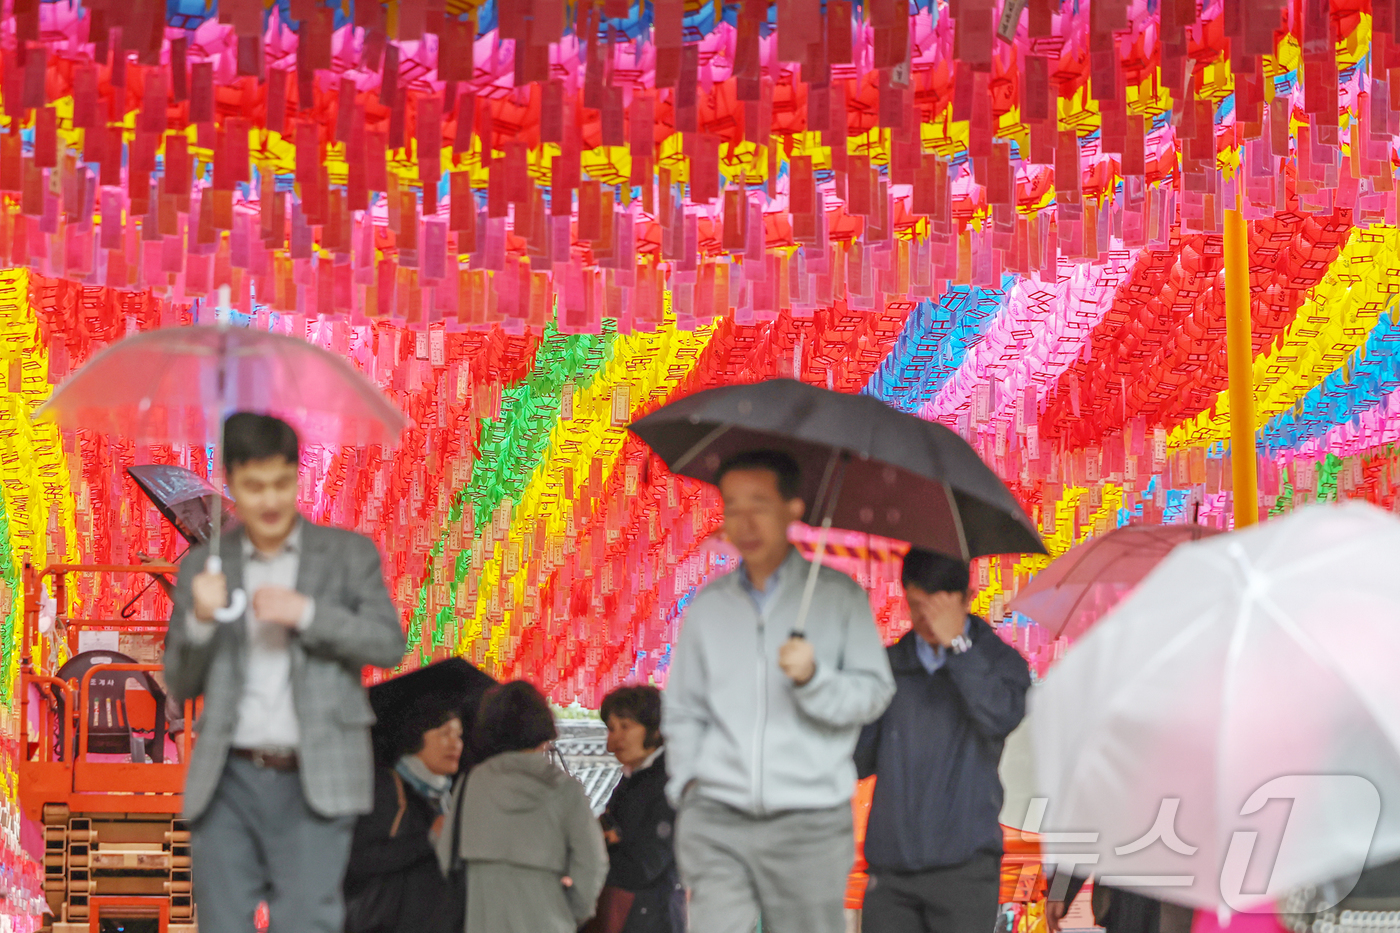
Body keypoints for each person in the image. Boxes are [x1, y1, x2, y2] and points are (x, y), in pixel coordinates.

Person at [164, 413, 406, 933]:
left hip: (318, 772)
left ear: (296, 476)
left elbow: (389, 644)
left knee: (306, 921)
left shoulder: (347, 555)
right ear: (230, 482)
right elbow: (180, 684)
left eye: (280, 483)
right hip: (228, 775)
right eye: (253, 487)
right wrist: (200, 622)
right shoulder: (203, 567)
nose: (269, 501)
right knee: (223, 923)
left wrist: (308, 614)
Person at [663, 449, 896, 933]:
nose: (743, 520)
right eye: (732, 505)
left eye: (759, 503)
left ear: (793, 507)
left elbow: (874, 694)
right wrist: (687, 785)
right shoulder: (709, 608)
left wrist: (815, 680)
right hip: (717, 817)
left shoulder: (838, 598)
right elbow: (683, 708)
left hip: (809, 822)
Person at [853, 548, 1032, 933]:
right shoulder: (887, 667)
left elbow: (1000, 716)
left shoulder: (1002, 663)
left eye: (937, 608)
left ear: (966, 600)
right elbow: (857, 759)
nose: (926, 620)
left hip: (965, 866)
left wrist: (959, 648)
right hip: (892, 867)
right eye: (917, 606)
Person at [452, 680, 608, 933]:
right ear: (543, 726)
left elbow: (447, 860)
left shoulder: (471, 783)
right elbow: (593, 863)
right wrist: (570, 914)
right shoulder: (566, 789)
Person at [344, 696, 465, 933]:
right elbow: (359, 860)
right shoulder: (388, 787)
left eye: (459, 735)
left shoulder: (446, 797)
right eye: (444, 733)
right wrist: (429, 838)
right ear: (417, 736)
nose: (455, 744)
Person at [588, 685, 684, 933]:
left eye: (625, 727)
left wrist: (599, 848)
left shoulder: (669, 782)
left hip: (654, 917)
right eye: (610, 729)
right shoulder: (633, 778)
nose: (613, 740)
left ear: (654, 728)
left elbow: (644, 865)